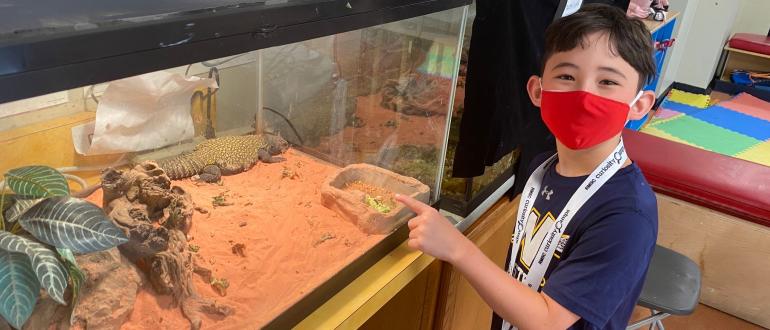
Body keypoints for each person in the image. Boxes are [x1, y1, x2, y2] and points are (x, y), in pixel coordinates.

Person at [396, 4, 659, 329]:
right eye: (566, 76)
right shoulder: (544, 167)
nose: (584, 93)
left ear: (640, 105)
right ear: (537, 91)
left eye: (607, 81)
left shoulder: (626, 216)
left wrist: (457, 248)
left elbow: (550, 321)